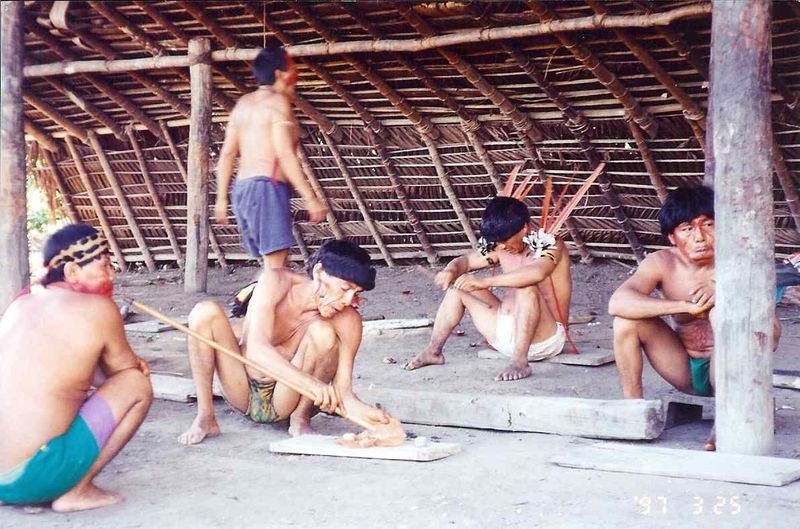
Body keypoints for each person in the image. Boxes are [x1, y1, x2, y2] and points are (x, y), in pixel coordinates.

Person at [608, 185, 781, 448]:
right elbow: (618, 303)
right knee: (626, 321)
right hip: (684, 369)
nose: (699, 237)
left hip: (740, 370)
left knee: (723, 311)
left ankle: (727, 419)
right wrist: (684, 306)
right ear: (672, 237)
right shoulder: (661, 263)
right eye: (687, 228)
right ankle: (633, 410)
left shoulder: (743, 261)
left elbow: (773, 334)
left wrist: (728, 291)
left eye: (708, 224)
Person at [178, 240, 393, 445]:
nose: (348, 301)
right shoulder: (275, 282)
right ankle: (205, 417)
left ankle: (300, 420)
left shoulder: (348, 320)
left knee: (323, 332)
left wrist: (370, 416)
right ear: (319, 273)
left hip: (286, 401)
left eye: (356, 293)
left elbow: (343, 392)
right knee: (204, 312)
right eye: (345, 289)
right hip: (240, 388)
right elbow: (255, 349)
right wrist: (311, 385)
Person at [0, 224, 152, 512]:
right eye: (105, 266)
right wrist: (133, 366)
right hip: (32, 476)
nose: (111, 275)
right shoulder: (97, 308)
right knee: (136, 384)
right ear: (71, 272)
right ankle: (77, 490)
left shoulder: (20, 305)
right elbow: (124, 373)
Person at [404, 196, 573, 382]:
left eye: (504, 240)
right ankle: (433, 351)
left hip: (544, 340)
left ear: (524, 228)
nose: (500, 246)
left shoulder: (552, 244)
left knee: (526, 286)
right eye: (498, 241)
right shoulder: (501, 246)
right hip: (503, 335)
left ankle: (520, 362)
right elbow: (466, 261)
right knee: (458, 287)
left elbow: (536, 272)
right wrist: (449, 271)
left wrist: (483, 282)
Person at [214, 44, 328, 269]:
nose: (296, 74)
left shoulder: (242, 105)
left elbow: (227, 154)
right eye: (292, 69)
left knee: (276, 265)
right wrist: (310, 198)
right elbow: (284, 154)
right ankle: (249, 303)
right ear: (279, 74)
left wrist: (222, 199)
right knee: (275, 269)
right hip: (266, 188)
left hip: (243, 190)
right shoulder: (278, 104)